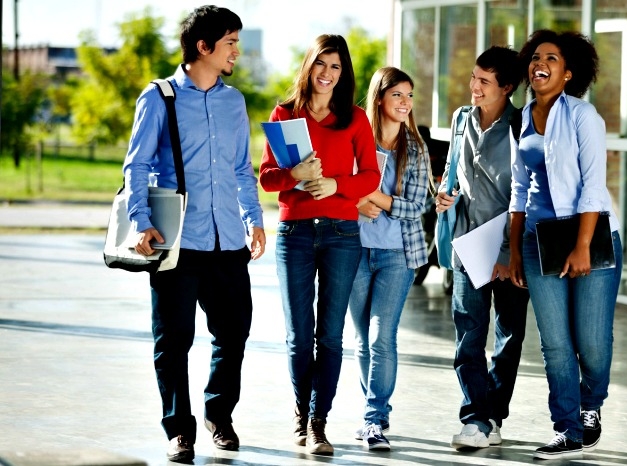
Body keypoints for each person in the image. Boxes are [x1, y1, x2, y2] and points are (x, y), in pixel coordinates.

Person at [124, 5, 266, 462]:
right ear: (202, 47)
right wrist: (141, 220)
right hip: (178, 243)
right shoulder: (159, 98)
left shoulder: (234, 101)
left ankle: (218, 415)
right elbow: (137, 165)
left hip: (228, 241)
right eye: (230, 43)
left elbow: (242, 167)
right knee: (174, 339)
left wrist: (254, 219)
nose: (236, 52)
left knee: (234, 333)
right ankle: (179, 429)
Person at [258, 34, 380, 456]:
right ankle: (299, 416)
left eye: (336, 67)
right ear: (308, 66)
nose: (327, 74)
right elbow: (267, 178)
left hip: (342, 235)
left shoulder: (356, 118)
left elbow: (371, 177)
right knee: (299, 335)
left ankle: (318, 423)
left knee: (329, 336)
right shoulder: (284, 114)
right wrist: (295, 174)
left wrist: (334, 184)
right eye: (321, 64)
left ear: (343, 74)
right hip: (295, 235)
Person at [508, 29, 623, 460]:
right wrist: (516, 249)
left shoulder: (582, 116)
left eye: (552, 58)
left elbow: (594, 186)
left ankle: (591, 406)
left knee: (591, 340)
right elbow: (520, 189)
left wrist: (582, 246)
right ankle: (567, 428)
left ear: (569, 72)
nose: (541, 63)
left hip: (589, 238)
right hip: (539, 242)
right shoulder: (523, 118)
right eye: (536, 57)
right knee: (555, 343)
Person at [434, 46, 530, 450]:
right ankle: (475, 416)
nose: (474, 86)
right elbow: (453, 171)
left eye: (484, 81)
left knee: (508, 337)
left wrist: (508, 255)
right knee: (468, 335)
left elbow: (527, 192)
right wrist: (444, 193)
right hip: (467, 245)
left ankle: (493, 416)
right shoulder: (460, 119)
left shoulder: (522, 125)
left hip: (509, 248)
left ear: (507, 87)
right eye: (474, 77)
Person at [349, 66, 431, 451]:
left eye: (410, 95)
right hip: (351, 250)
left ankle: (374, 418)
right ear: (379, 98)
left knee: (383, 337)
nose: (405, 103)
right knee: (363, 339)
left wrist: (373, 198)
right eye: (397, 94)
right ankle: (372, 411)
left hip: (397, 254)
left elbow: (416, 207)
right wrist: (356, 200)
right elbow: (337, 189)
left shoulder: (414, 149)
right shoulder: (355, 140)